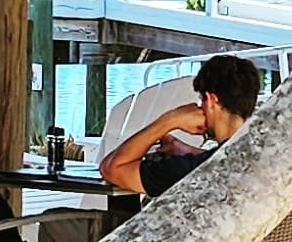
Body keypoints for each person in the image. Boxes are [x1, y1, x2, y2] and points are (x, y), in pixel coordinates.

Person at [102, 55, 260, 195]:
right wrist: (188, 151)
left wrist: (170, 120)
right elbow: (223, 158)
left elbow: (112, 168)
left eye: (201, 101)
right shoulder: (259, 153)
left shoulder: (187, 170)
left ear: (211, 100)